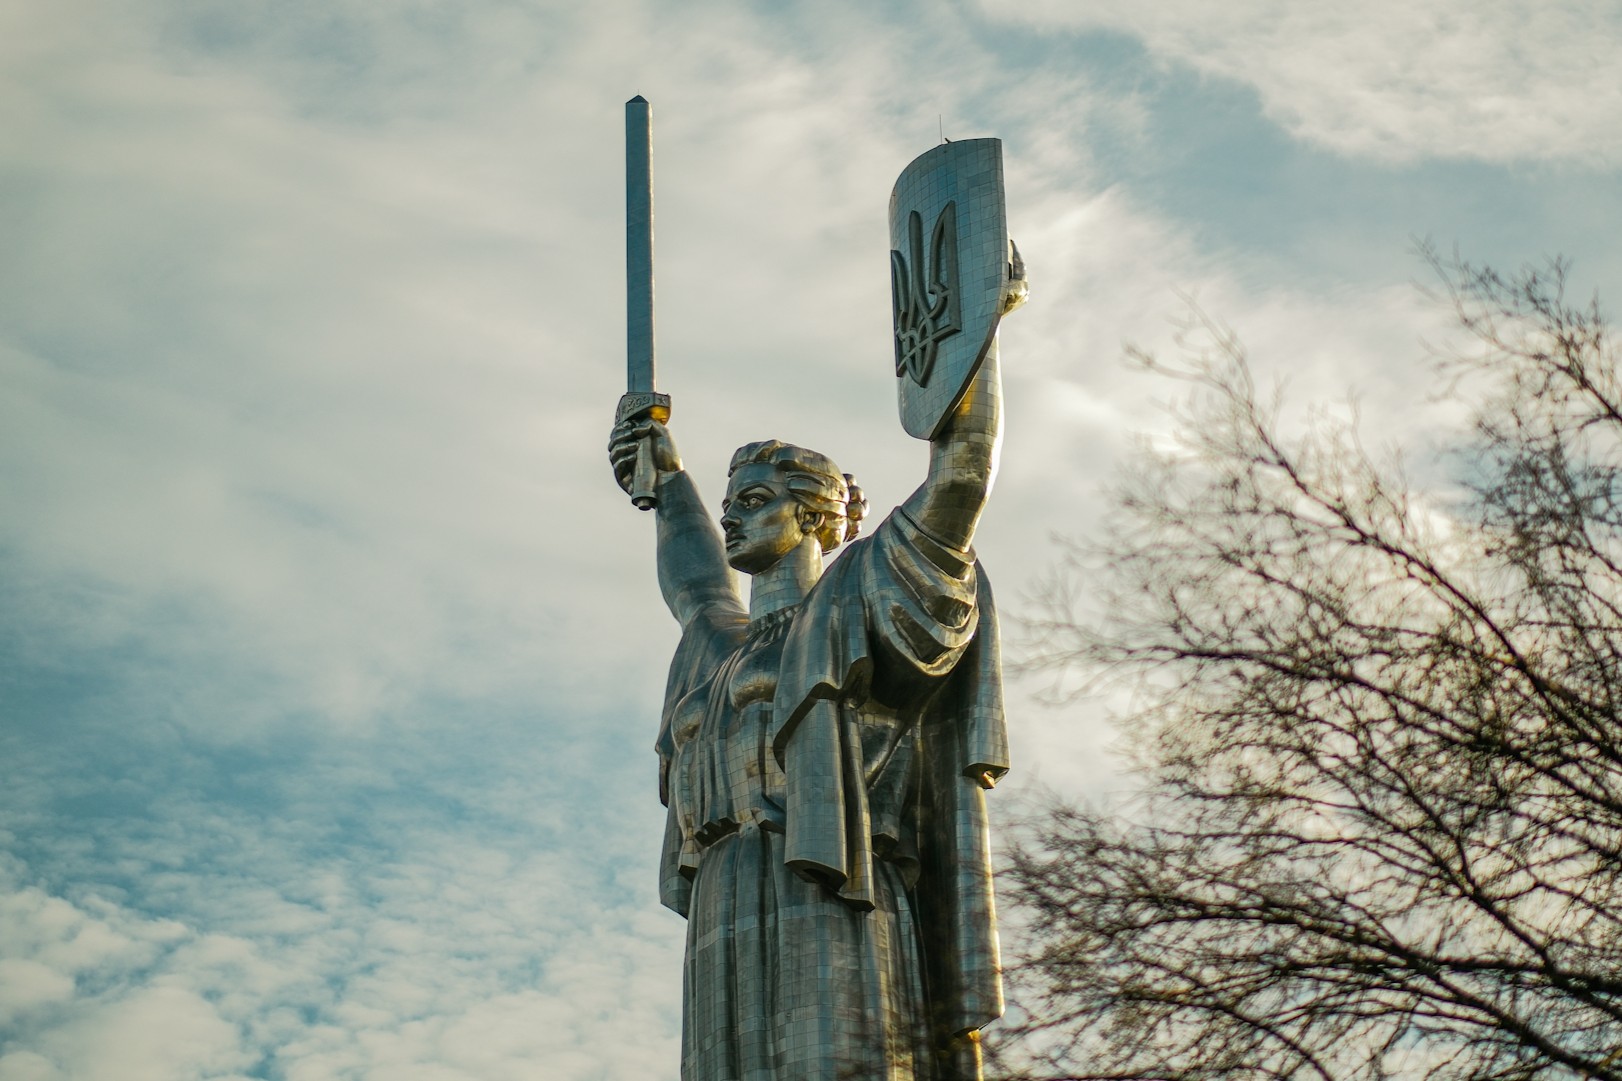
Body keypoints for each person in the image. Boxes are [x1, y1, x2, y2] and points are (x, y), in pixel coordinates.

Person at [608, 344, 1010, 1081]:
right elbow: (694, 581)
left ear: (817, 514)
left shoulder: (857, 600)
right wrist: (668, 481)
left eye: (755, 502)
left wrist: (974, 331)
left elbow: (963, 473)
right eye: (730, 504)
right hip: (725, 900)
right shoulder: (714, 649)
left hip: (833, 880)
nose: (732, 517)